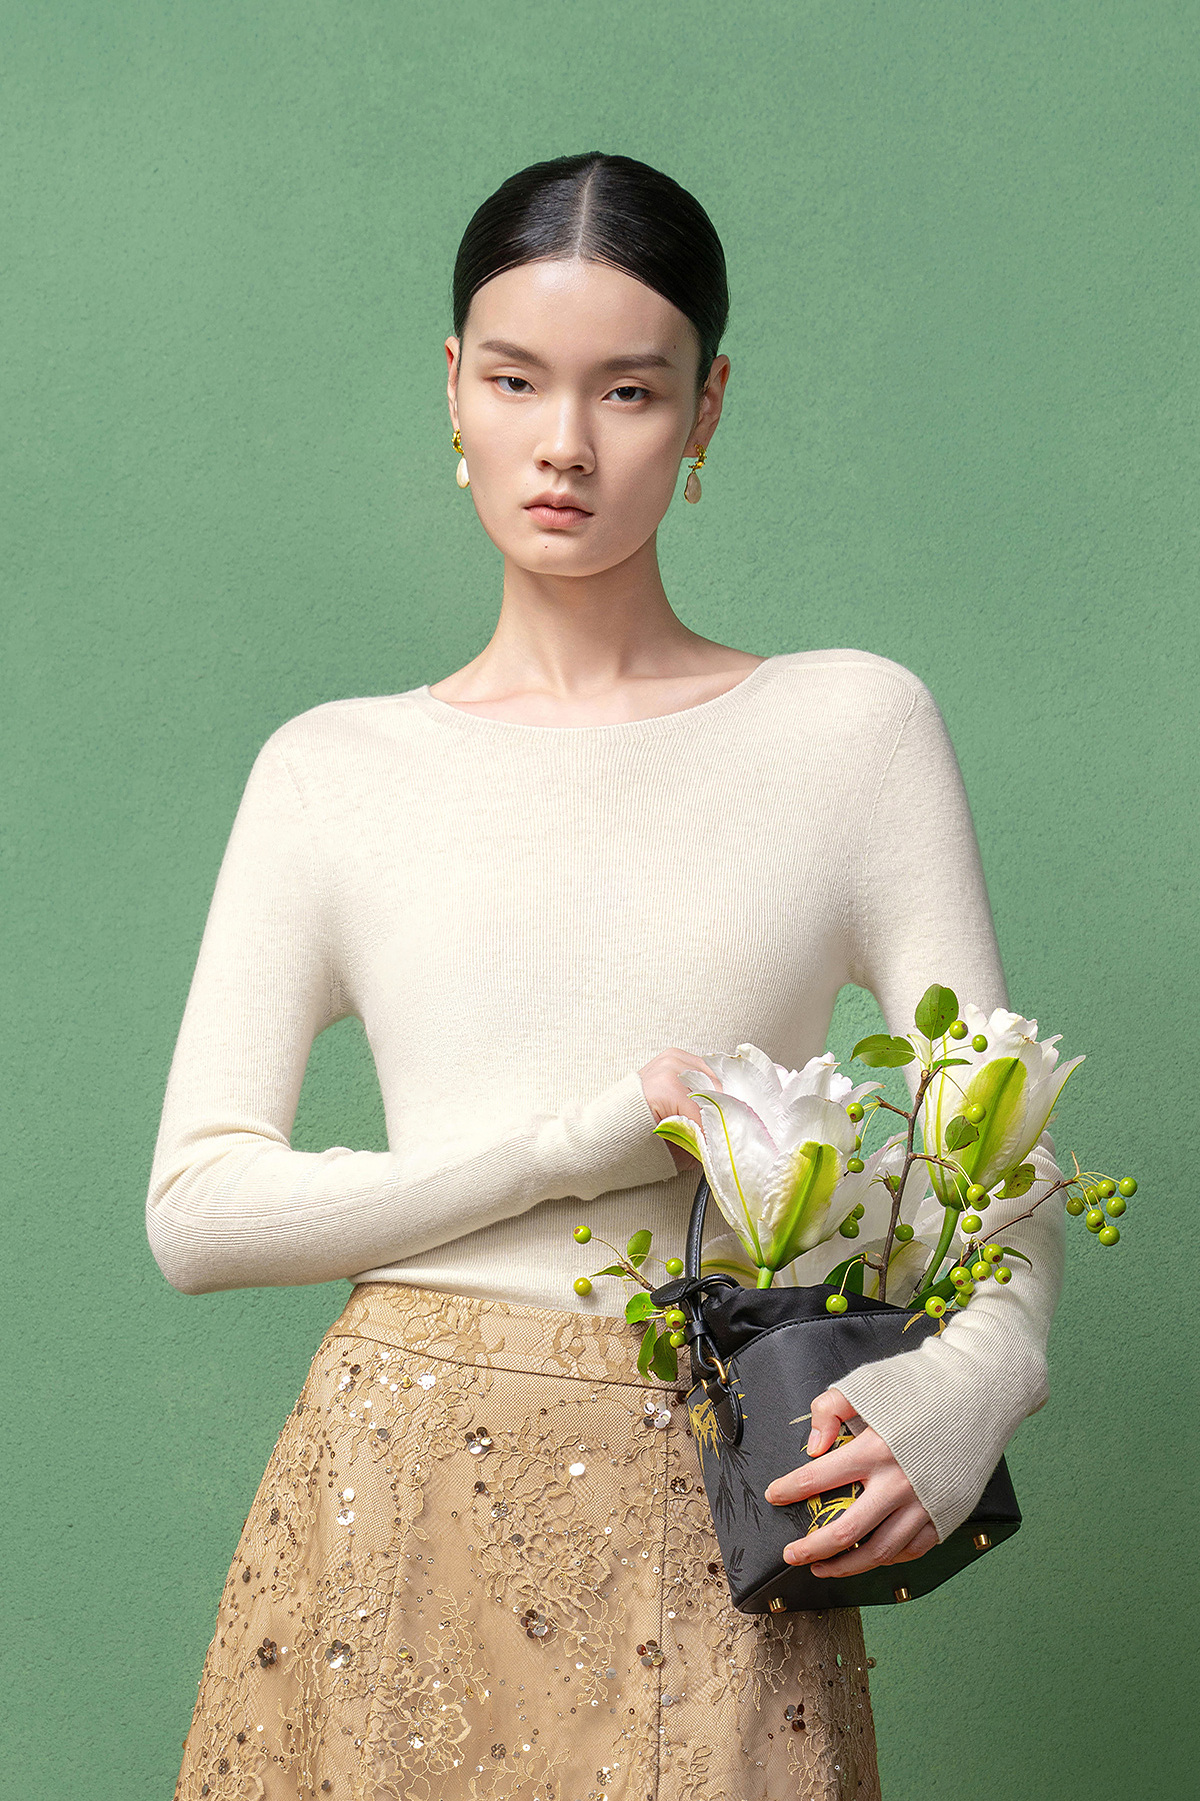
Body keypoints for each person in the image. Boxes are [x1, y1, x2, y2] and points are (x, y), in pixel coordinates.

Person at [149, 152, 1065, 1801]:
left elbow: (988, 1137)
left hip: (715, 1499)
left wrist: (983, 1372)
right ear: (454, 387)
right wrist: (570, 1146)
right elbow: (197, 1211)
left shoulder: (854, 729)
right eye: (516, 380)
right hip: (390, 1508)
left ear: (707, 411)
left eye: (629, 390)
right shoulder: (329, 770)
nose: (564, 442)